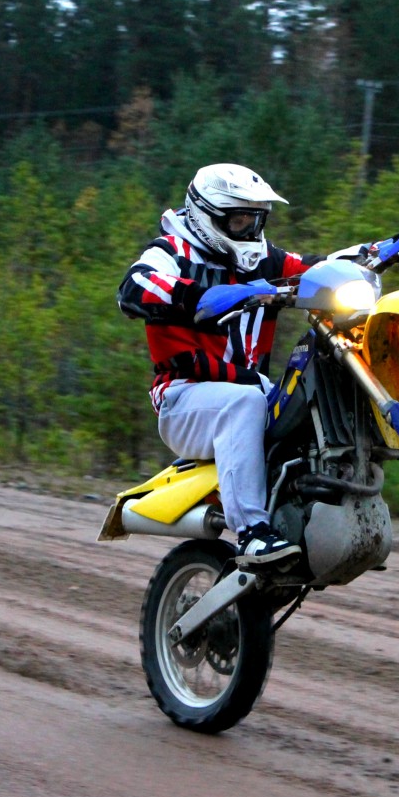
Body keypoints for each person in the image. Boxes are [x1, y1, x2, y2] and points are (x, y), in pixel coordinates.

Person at [117, 163, 324, 571]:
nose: (251, 229)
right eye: (241, 219)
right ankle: (252, 532)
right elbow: (133, 286)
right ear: (208, 216)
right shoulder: (171, 251)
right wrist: (199, 297)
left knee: (308, 397)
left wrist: (377, 254)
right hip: (183, 398)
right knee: (244, 402)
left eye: (257, 219)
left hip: (251, 389)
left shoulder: (265, 259)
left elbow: (315, 267)